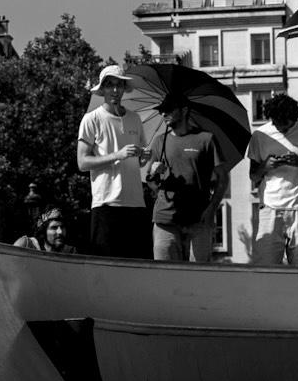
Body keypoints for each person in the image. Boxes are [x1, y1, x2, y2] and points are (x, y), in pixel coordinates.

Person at [76, 65, 149, 258]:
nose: (115, 90)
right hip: (106, 203)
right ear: (103, 89)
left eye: (119, 85)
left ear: (125, 88)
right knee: (106, 268)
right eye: (110, 85)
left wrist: (144, 158)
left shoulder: (135, 118)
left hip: (135, 203)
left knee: (136, 268)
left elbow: (138, 162)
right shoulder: (91, 119)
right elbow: (82, 162)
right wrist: (117, 155)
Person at [245, 93, 298, 266]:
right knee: (265, 271)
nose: (281, 128)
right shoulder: (261, 135)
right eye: (277, 124)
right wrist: (265, 166)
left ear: (294, 118)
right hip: (269, 210)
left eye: (286, 125)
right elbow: (253, 175)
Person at [146, 100, 219, 262]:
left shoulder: (206, 139)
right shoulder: (159, 141)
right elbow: (151, 183)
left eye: (169, 109)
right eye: (161, 111)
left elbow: (223, 178)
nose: (163, 114)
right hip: (165, 220)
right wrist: (153, 172)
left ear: (185, 110)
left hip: (198, 221)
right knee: (165, 277)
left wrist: (212, 208)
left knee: (199, 279)